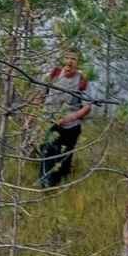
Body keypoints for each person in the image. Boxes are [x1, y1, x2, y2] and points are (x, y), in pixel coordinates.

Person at [38, 49, 92, 188]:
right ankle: (46, 186)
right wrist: (33, 117)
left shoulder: (82, 80)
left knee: (64, 158)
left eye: (73, 59)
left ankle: (62, 184)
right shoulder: (53, 74)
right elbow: (40, 96)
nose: (69, 61)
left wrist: (71, 117)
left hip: (71, 127)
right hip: (50, 122)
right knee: (48, 152)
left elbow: (87, 107)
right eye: (67, 58)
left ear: (78, 62)